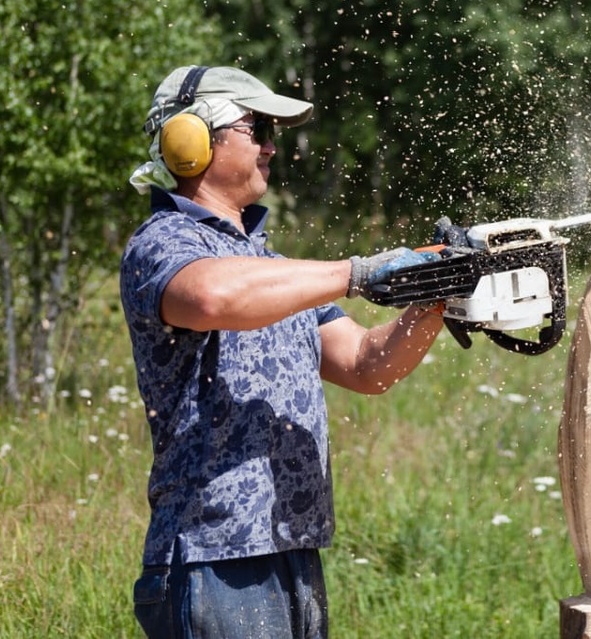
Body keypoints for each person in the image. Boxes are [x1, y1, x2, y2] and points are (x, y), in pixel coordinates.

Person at [120, 65, 443, 638]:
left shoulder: (275, 271)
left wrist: (435, 296)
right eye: (258, 127)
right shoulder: (163, 244)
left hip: (292, 545)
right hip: (213, 555)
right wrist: (356, 273)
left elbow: (367, 365)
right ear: (190, 140)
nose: (272, 145)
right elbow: (214, 297)